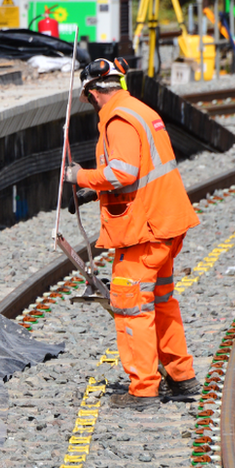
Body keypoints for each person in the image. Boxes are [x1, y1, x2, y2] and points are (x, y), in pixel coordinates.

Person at [64, 58, 202, 410]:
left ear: (94, 92)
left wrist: (81, 178)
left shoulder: (118, 118)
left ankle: (143, 391)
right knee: (161, 301)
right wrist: (97, 191)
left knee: (131, 307)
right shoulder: (140, 110)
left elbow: (123, 172)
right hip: (164, 222)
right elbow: (142, 171)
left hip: (143, 230)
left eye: (89, 98)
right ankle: (182, 377)